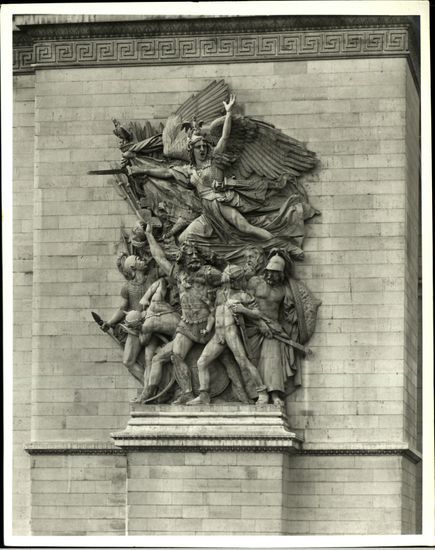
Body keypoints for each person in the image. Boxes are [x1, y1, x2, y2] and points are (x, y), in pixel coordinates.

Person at [127, 95, 273, 243]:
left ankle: (278, 244)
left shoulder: (215, 160)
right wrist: (142, 170)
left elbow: (225, 137)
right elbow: (166, 172)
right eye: (198, 147)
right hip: (207, 212)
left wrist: (228, 113)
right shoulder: (190, 170)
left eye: (204, 145)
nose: (202, 149)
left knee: (245, 228)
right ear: (192, 150)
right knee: (183, 238)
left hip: (220, 203)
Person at [139, 224, 222, 404]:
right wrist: (149, 235)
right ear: (182, 258)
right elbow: (159, 257)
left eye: (195, 254)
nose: (193, 257)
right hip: (187, 326)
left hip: (210, 326)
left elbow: (230, 280)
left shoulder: (209, 274)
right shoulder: (179, 276)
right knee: (176, 355)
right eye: (188, 255)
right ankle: (186, 392)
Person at [186, 264, 268, 405]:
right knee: (202, 362)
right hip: (218, 336)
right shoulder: (219, 294)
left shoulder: (243, 295)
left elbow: (257, 313)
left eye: (228, 277)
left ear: (234, 280)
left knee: (243, 363)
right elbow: (213, 314)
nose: (224, 278)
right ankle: (204, 395)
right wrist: (207, 328)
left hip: (231, 334)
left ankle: (262, 393)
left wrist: (243, 309)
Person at [101, 255, 158, 383]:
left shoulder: (153, 278)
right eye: (138, 259)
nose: (142, 260)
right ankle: (148, 387)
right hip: (135, 327)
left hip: (153, 324)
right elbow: (122, 309)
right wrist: (109, 323)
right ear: (133, 267)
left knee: (150, 360)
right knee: (128, 362)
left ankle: (151, 389)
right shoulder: (127, 287)